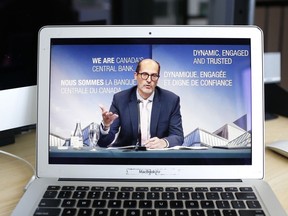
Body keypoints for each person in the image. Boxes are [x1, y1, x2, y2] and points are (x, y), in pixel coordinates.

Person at [98, 58, 184, 149]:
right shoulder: (120, 99)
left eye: (154, 75)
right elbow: (104, 142)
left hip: (158, 158)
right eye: (144, 74)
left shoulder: (171, 100)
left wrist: (164, 142)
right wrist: (106, 126)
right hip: (127, 159)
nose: (149, 80)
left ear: (158, 79)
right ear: (135, 76)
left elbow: (178, 136)